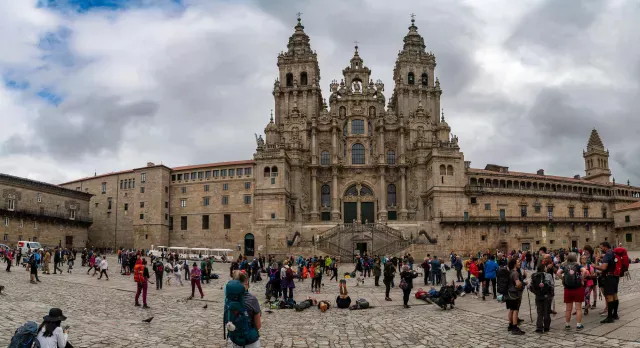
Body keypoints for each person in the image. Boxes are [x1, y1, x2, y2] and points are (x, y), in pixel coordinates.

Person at [230, 271, 261, 348]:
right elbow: (258, 325)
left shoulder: (229, 299)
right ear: (246, 283)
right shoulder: (252, 300)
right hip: (250, 342)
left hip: (235, 340)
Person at [556, 252, 587, 330]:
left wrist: (563, 280)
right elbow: (585, 271)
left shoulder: (564, 265)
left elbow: (558, 273)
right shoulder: (578, 265)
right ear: (575, 258)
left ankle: (567, 325)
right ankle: (578, 325)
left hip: (568, 289)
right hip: (577, 288)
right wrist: (582, 279)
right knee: (578, 308)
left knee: (568, 309)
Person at [593, 241, 619, 323]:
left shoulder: (607, 255)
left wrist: (595, 266)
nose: (601, 249)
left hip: (609, 277)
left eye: (601, 248)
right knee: (615, 295)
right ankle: (615, 314)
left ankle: (610, 317)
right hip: (615, 276)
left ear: (605, 247)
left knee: (609, 296)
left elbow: (604, 268)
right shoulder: (613, 253)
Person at [529, 263, 553, 333]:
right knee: (546, 311)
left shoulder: (534, 275)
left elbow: (530, 286)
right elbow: (552, 285)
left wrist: (536, 292)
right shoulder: (548, 275)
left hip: (538, 296)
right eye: (545, 267)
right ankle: (546, 327)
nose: (546, 268)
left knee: (539, 312)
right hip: (547, 296)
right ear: (543, 268)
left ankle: (539, 327)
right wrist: (551, 295)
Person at [506, 258, 525, 335]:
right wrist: (523, 284)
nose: (519, 263)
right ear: (514, 264)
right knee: (515, 310)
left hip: (508, 293)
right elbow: (517, 284)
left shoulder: (509, 272)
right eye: (518, 262)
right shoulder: (515, 273)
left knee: (511, 309)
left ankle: (510, 325)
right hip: (514, 294)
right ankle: (515, 328)